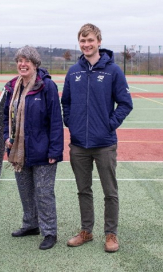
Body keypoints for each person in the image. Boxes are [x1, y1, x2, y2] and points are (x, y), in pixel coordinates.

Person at [61, 23, 133, 253]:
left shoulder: (113, 71)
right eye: (82, 41)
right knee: (83, 190)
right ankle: (86, 231)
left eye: (90, 40)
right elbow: (67, 103)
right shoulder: (74, 71)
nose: (86, 44)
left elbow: (125, 103)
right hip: (79, 145)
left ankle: (111, 234)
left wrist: (108, 126)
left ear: (99, 41)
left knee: (110, 191)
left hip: (104, 144)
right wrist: (71, 123)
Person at [3, 46, 64, 250]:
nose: (22, 64)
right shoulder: (12, 87)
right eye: (19, 60)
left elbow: (56, 120)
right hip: (19, 151)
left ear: (35, 64)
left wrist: (55, 151)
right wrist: (6, 137)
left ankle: (49, 232)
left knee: (44, 193)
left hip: (43, 150)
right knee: (25, 191)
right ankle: (31, 225)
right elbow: (5, 117)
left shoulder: (46, 86)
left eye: (27, 60)